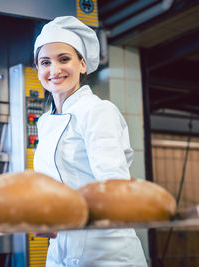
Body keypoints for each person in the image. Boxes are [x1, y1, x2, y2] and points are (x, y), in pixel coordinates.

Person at [32, 16, 147, 266]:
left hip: (106, 250)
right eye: (45, 62)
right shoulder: (45, 122)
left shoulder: (98, 111)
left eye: (64, 59)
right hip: (60, 248)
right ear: (38, 69)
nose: (54, 70)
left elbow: (114, 187)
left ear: (82, 64)